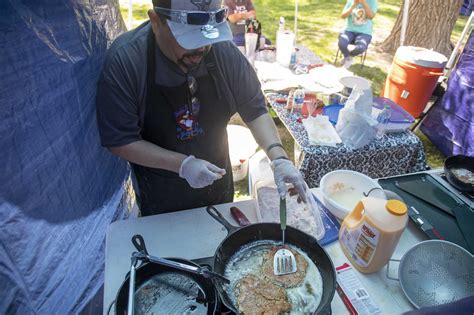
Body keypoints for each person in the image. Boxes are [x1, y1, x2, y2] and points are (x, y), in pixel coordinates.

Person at [95, 0, 306, 216]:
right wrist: (183, 165)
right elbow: (121, 140)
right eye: (188, 39)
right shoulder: (127, 61)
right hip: (161, 196)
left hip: (219, 186)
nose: (202, 49)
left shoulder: (222, 51)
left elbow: (255, 108)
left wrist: (278, 156)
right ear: (156, 21)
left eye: (207, 37)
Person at [338, 0, 377, 68]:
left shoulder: (372, 1)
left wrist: (363, 3)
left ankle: (349, 56)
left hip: (364, 32)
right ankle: (347, 58)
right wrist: (353, 5)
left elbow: (371, 16)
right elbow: (343, 16)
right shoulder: (351, 1)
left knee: (361, 48)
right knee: (342, 43)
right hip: (349, 30)